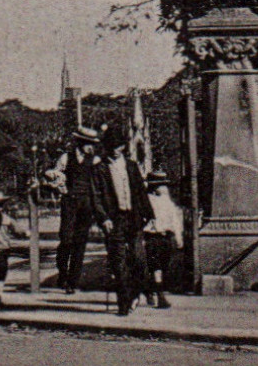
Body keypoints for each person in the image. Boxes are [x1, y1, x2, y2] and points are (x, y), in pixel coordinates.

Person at [93, 126, 151, 316]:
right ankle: (123, 303)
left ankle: (135, 293)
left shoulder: (131, 166)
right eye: (114, 146)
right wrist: (104, 218)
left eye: (120, 146)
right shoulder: (99, 169)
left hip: (133, 218)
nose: (118, 150)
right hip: (114, 219)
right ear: (108, 147)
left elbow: (141, 192)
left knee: (139, 259)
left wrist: (149, 215)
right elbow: (96, 196)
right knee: (118, 263)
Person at [48, 126, 102, 292]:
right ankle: (63, 273)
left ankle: (73, 281)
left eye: (92, 144)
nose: (90, 147)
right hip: (70, 203)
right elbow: (55, 176)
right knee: (66, 239)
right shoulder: (66, 158)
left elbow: (99, 183)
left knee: (80, 242)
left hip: (86, 205)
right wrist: (59, 187)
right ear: (80, 143)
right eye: (87, 143)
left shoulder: (95, 160)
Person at [141, 169, 184, 309]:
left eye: (165, 185)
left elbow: (175, 219)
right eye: (161, 185)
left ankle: (149, 289)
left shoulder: (167, 201)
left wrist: (178, 236)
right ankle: (160, 297)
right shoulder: (146, 200)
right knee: (156, 266)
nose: (164, 188)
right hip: (152, 236)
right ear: (153, 187)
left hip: (166, 236)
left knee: (163, 266)